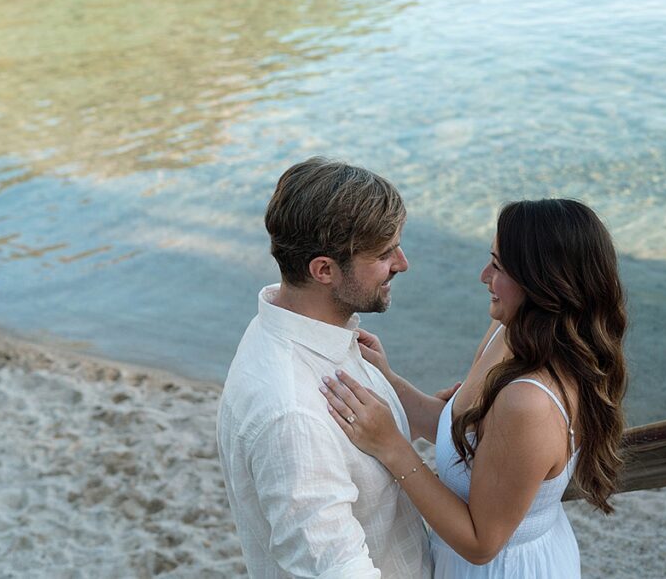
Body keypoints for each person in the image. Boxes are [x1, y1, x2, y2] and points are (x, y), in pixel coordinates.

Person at [321, 198, 628, 578]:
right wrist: (389, 379)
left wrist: (393, 448)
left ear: (542, 282)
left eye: (498, 267)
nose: (484, 275)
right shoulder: (509, 330)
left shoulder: (529, 401)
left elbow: (481, 543)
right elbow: (465, 439)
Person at [216, 157, 432, 578]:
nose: (402, 263)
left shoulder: (305, 332)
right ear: (324, 270)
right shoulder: (291, 414)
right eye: (385, 253)